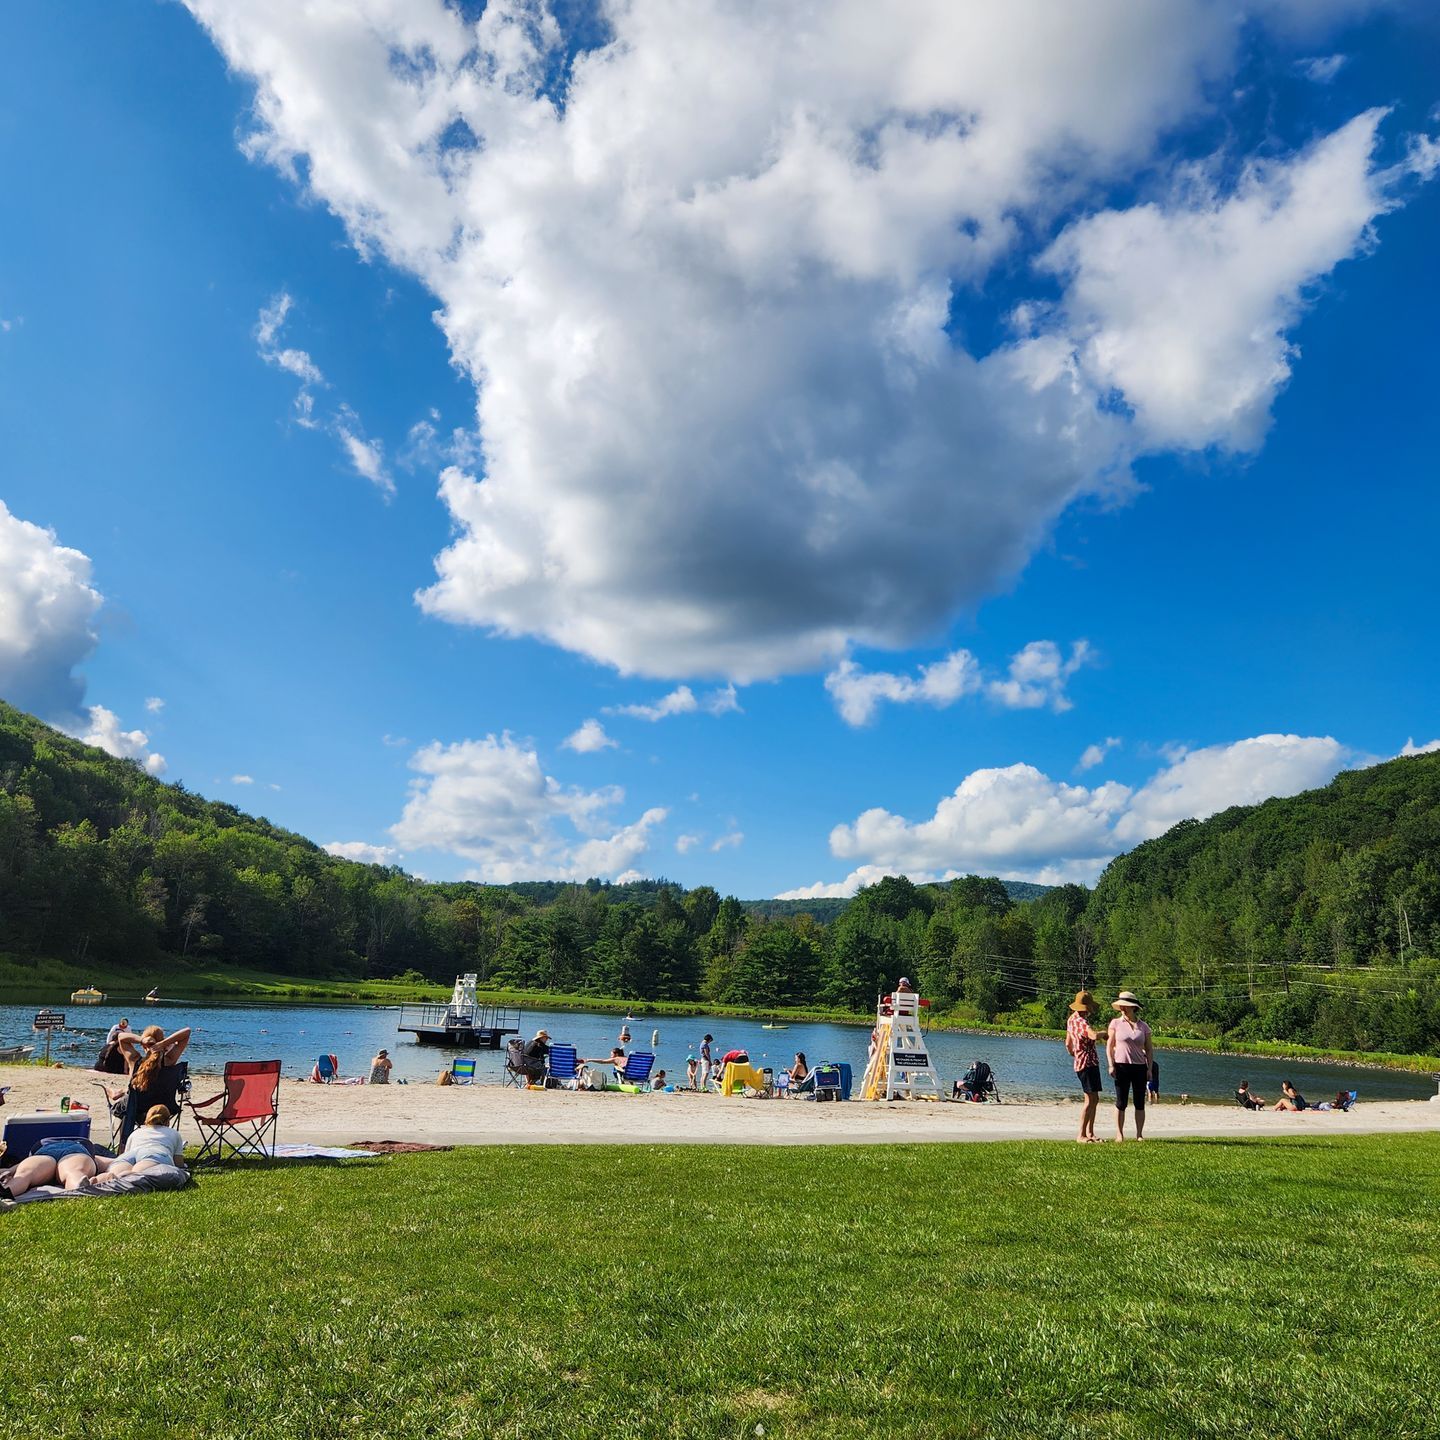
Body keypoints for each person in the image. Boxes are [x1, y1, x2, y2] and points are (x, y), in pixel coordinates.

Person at [116, 1024, 192, 1142]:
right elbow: (187, 1032)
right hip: (163, 1111)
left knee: (125, 1105)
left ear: (143, 1045)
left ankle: (124, 1145)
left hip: (136, 1112)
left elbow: (121, 1036)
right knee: (127, 1100)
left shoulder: (135, 1060)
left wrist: (141, 1040)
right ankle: (163, 1142)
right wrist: (163, 1043)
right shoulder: (169, 1061)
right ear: (162, 1041)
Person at [1105, 991, 1153, 1141]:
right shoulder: (1115, 1023)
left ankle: (1139, 1134)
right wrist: (1110, 1064)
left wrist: (1149, 1068)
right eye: (1121, 1006)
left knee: (1139, 1102)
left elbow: (1149, 1049)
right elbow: (1109, 1045)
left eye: (1125, 1006)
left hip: (1139, 1067)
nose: (1122, 1008)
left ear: (1133, 1008)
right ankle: (1119, 1134)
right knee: (1121, 1101)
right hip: (1121, 1066)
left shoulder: (1143, 1026)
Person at [1, 1137, 106, 1198]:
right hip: (76, 1149)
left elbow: (21, 1166)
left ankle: (5, 1192)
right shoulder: (86, 1143)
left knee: (25, 1173)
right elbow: (108, 1162)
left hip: (44, 1151)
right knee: (73, 1171)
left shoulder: (42, 1142)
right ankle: (78, 1187)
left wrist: (9, 1171)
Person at [105, 1104, 186, 1181]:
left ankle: (101, 1179)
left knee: (115, 1171)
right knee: (136, 1174)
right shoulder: (173, 1133)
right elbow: (178, 1163)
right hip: (155, 1153)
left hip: (130, 1154)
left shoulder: (136, 1133)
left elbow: (127, 1152)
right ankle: (123, 1176)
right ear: (167, 1121)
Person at [1065, 989, 1103, 1142]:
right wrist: (1104, 1033)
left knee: (1094, 1099)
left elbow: (1068, 1043)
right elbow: (1093, 1035)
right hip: (1088, 1063)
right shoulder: (1082, 1022)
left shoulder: (1071, 1020)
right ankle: (1081, 1135)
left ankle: (1090, 1133)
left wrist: (1074, 1054)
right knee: (1090, 1100)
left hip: (1082, 1062)